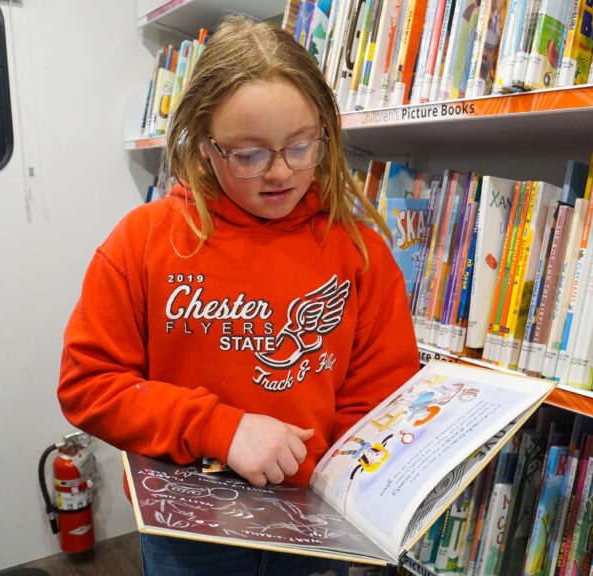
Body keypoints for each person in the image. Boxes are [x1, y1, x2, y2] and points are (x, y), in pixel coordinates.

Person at [57, 14, 420, 576]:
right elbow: (89, 385)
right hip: (189, 535)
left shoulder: (358, 252)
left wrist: (345, 483)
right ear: (205, 146)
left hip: (309, 529)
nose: (280, 173)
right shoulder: (144, 241)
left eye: (301, 146)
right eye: (249, 155)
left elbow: (378, 397)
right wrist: (221, 429)